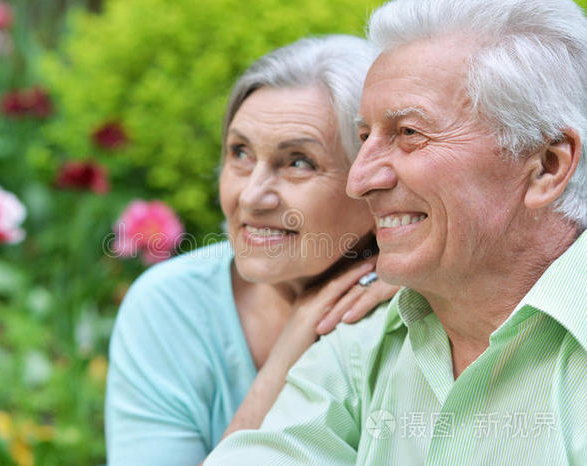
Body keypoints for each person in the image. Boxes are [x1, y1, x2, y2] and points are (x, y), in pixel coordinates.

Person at [205, 0, 587, 464]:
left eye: (409, 133)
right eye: (365, 137)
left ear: (547, 166)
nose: (359, 181)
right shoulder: (361, 343)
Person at [104, 35, 400, 464]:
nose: (251, 196)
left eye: (298, 161)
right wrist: (288, 353)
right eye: (239, 153)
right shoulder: (170, 307)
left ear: (372, 181)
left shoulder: (419, 309)